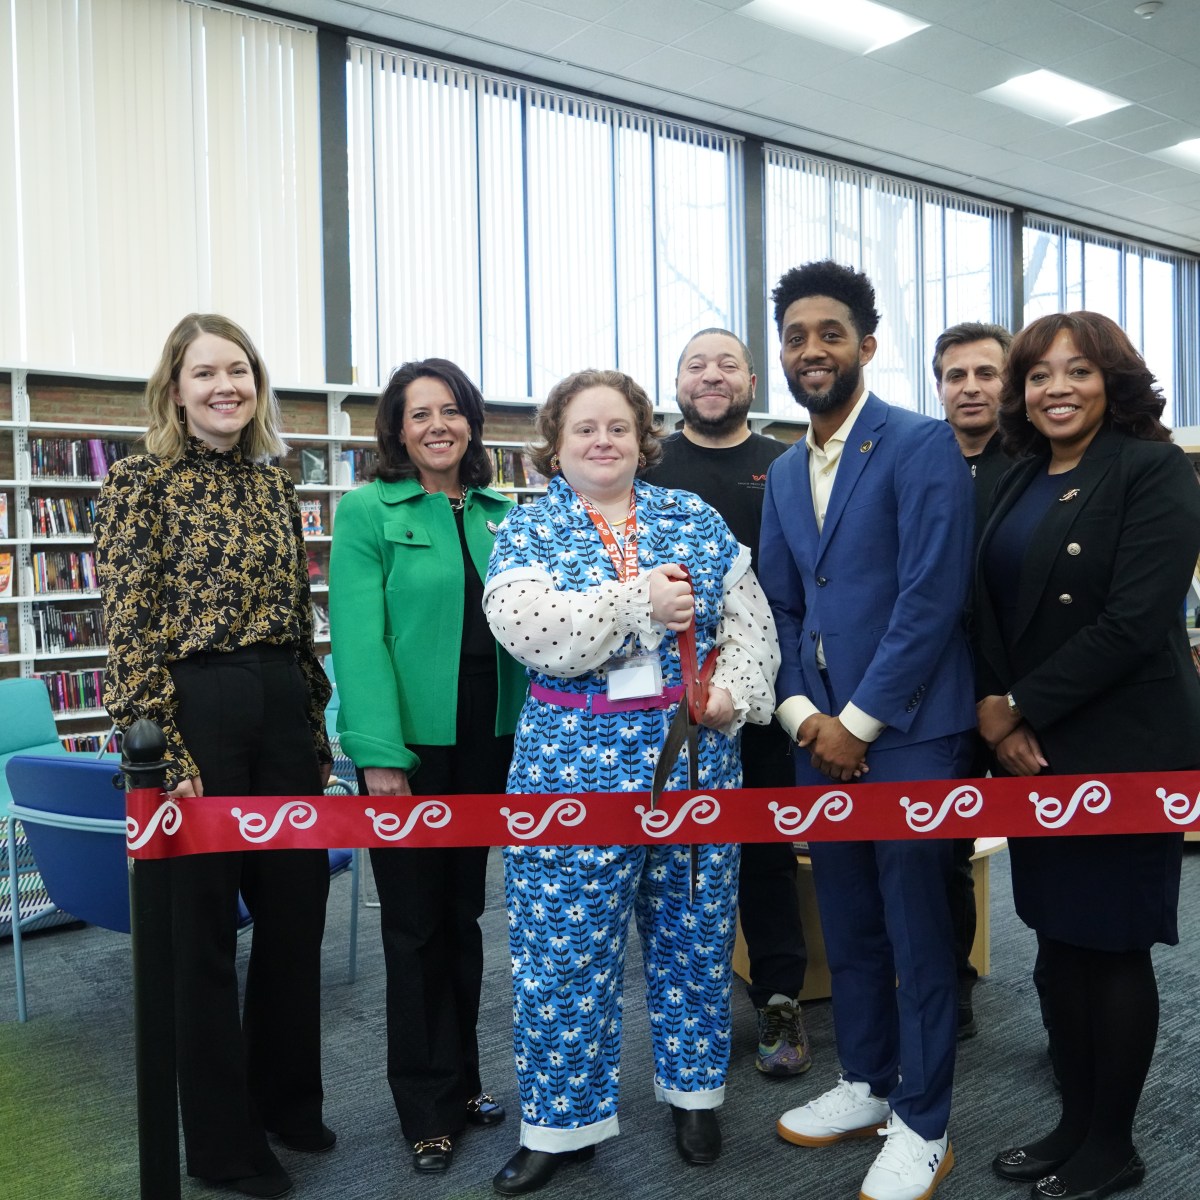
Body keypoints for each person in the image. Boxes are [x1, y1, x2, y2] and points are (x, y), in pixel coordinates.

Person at [483, 369, 779, 1195]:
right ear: (556, 442)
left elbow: (753, 627)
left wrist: (734, 695)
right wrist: (638, 602)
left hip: (693, 767)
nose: (603, 441)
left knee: (695, 935)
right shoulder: (527, 530)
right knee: (560, 953)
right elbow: (535, 630)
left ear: (643, 437)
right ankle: (559, 1126)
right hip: (565, 775)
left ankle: (694, 1097)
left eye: (618, 426)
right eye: (584, 429)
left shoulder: (696, 518)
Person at [96, 314, 334, 1200]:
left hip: (279, 702)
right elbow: (127, 630)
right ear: (175, 389)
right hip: (193, 709)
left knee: (296, 910)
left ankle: (287, 1102)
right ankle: (225, 1145)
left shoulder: (278, 486)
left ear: (257, 384)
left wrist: (311, 732)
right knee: (199, 936)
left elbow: (298, 618)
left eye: (239, 370)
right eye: (205, 374)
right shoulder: (137, 485)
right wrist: (165, 746)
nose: (225, 386)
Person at [759, 261, 975, 1200]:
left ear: (867, 346)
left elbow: (931, 599)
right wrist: (803, 713)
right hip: (819, 736)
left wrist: (858, 720)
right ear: (784, 352)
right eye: (798, 336)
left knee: (917, 928)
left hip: (912, 732)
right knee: (845, 919)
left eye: (831, 333)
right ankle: (866, 1082)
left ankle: (923, 1121)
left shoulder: (923, 446)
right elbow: (779, 603)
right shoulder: (777, 469)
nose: (813, 349)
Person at [975, 311, 1200, 1200]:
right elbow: (985, 609)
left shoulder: (1154, 472)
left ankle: (1114, 1143)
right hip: (1031, 751)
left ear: (1114, 379)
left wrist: (1017, 707)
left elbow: (1135, 621)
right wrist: (999, 714)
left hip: (1125, 748)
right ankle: (1071, 1122)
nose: (1055, 387)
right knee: (1056, 942)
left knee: (1112, 948)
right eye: (1037, 374)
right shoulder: (1016, 476)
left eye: (1077, 370)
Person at [328, 359, 525, 1174]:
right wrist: (377, 753)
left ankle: (466, 1081)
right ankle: (423, 1107)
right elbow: (358, 637)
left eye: (451, 411)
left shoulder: (500, 512)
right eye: (420, 414)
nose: (438, 425)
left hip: (491, 738)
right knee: (411, 926)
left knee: (464, 917)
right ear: (398, 431)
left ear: (471, 423)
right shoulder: (367, 512)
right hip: (409, 749)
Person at [645, 326, 812, 1076]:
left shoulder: (786, 464)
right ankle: (689, 1012)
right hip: (660, 707)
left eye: (727, 366)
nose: (710, 376)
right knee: (674, 858)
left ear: (752, 380)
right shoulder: (647, 466)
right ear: (675, 381)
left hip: (763, 692)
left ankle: (780, 1003)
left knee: (767, 855)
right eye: (694, 365)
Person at [932, 319, 1014, 1039]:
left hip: (1024, 696)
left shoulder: (1039, 462)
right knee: (942, 854)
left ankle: (1071, 1013)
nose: (971, 388)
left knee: (1056, 862)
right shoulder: (921, 459)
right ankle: (952, 986)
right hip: (941, 694)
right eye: (956, 376)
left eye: (986, 373)